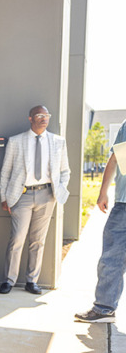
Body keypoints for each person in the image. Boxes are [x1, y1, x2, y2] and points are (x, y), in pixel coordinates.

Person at [0, 105, 70, 294]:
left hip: (47, 195)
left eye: (46, 115)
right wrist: (4, 197)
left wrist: (60, 189)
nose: (44, 118)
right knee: (17, 238)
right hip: (21, 195)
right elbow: (5, 171)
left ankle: (32, 280)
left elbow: (65, 171)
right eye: (39, 115)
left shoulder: (57, 142)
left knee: (38, 240)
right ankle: (9, 280)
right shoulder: (16, 141)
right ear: (30, 118)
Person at [75, 122, 126, 323]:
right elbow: (117, 158)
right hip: (123, 203)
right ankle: (104, 309)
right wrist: (103, 191)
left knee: (112, 258)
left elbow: (118, 159)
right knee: (112, 258)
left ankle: (104, 308)